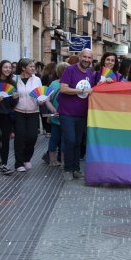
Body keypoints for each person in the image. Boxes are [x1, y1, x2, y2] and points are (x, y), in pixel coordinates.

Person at [58, 49, 95, 180]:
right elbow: (63, 88)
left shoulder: (91, 72)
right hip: (67, 113)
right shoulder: (70, 70)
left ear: (92, 59)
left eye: (89, 58)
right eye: (84, 57)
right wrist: (82, 90)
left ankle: (76, 169)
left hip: (82, 114)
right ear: (79, 57)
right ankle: (68, 169)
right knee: (70, 140)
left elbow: (96, 88)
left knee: (78, 142)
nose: (86, 60)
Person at [13, 58, 43, 172]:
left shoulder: (37, 80)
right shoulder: (14, 79)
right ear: (23, 68)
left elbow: (40, 94)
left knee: (32, 137)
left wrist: (41, 101)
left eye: (33, 66)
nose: (33, 68)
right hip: (18, 111)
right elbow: (11, 93)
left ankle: (27, 158)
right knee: (20, 137)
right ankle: (19, 163)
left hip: (33, 112)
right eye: (31, 66)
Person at [44, 62, 69, 166]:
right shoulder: (71, 85)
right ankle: (63, 162)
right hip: (67, 116)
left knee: (53, 139)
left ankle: (52, 161)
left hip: (55, 117)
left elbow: (46, 100)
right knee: (64, 140)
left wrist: (54, 110)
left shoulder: (53, 84)